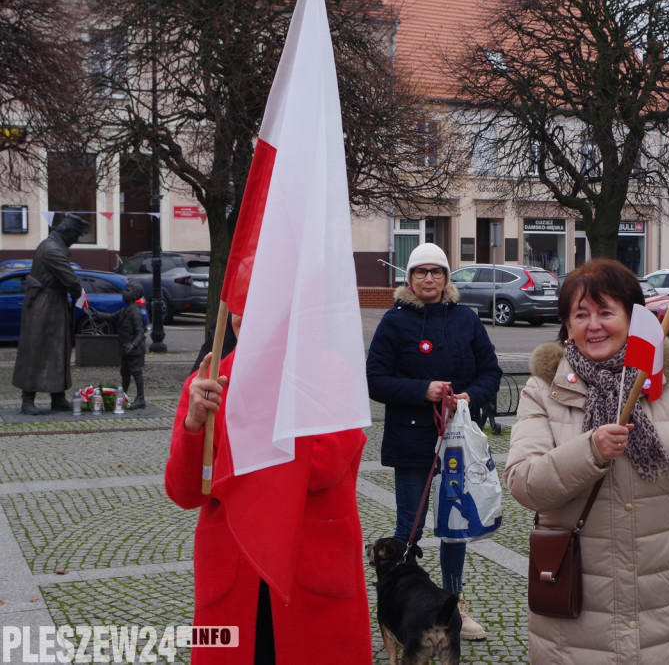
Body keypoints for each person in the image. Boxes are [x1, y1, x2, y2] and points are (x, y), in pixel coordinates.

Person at [505, 258, 669, 663]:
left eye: (606, 312)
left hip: (661, 605)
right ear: (567, 326)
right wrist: (589, 450)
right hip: (575, 617)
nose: (594, 325)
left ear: (632, 319)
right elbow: (525, 483)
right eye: (581, 315)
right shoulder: (543, 391)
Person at [165, 314, 371, 664]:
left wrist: (259, 400)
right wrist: (193, 425)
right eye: (238, 305)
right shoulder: (209, 381)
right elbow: (185, 493)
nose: (245, 315)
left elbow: (321, 468)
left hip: (309, 572)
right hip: (234, 573)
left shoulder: (331, 372)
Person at [365, 242, 502, 641]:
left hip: (457, 443)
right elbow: (375, 379)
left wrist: (470, 397)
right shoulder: (394, 322)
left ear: (446, 277)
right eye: (421, 271)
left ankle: (452, 606)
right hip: (411, 441)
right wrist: (421, 390)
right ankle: (399, 605)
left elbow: (490, 372)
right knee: (409, 528)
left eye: (436, 271)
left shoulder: (466, 319)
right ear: (410, 278)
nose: (429, 278)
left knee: (455, 527)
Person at [13, 214, 89, 414]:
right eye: (76, 235)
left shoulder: (54, 246)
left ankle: (58, 397)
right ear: (67, 231)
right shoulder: (51, 250)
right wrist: (80, 297)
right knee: (36, 349)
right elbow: (71, 280)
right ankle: (27, 400)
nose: (76, 239)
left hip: (54, 304)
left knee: (58, 350)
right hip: (44, 306)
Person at [88, 279, 148, 408]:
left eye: (127, 290)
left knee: (136, 373)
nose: (123, 292)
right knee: (125, 373)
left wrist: (133, 345)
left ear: (135, 295)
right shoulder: (126, 309)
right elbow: (111, 316)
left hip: (134, 350)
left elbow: (140, 332)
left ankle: (140, 398)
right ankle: (123, 395)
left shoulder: (135, 312)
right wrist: (97, 314)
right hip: (125, 348)